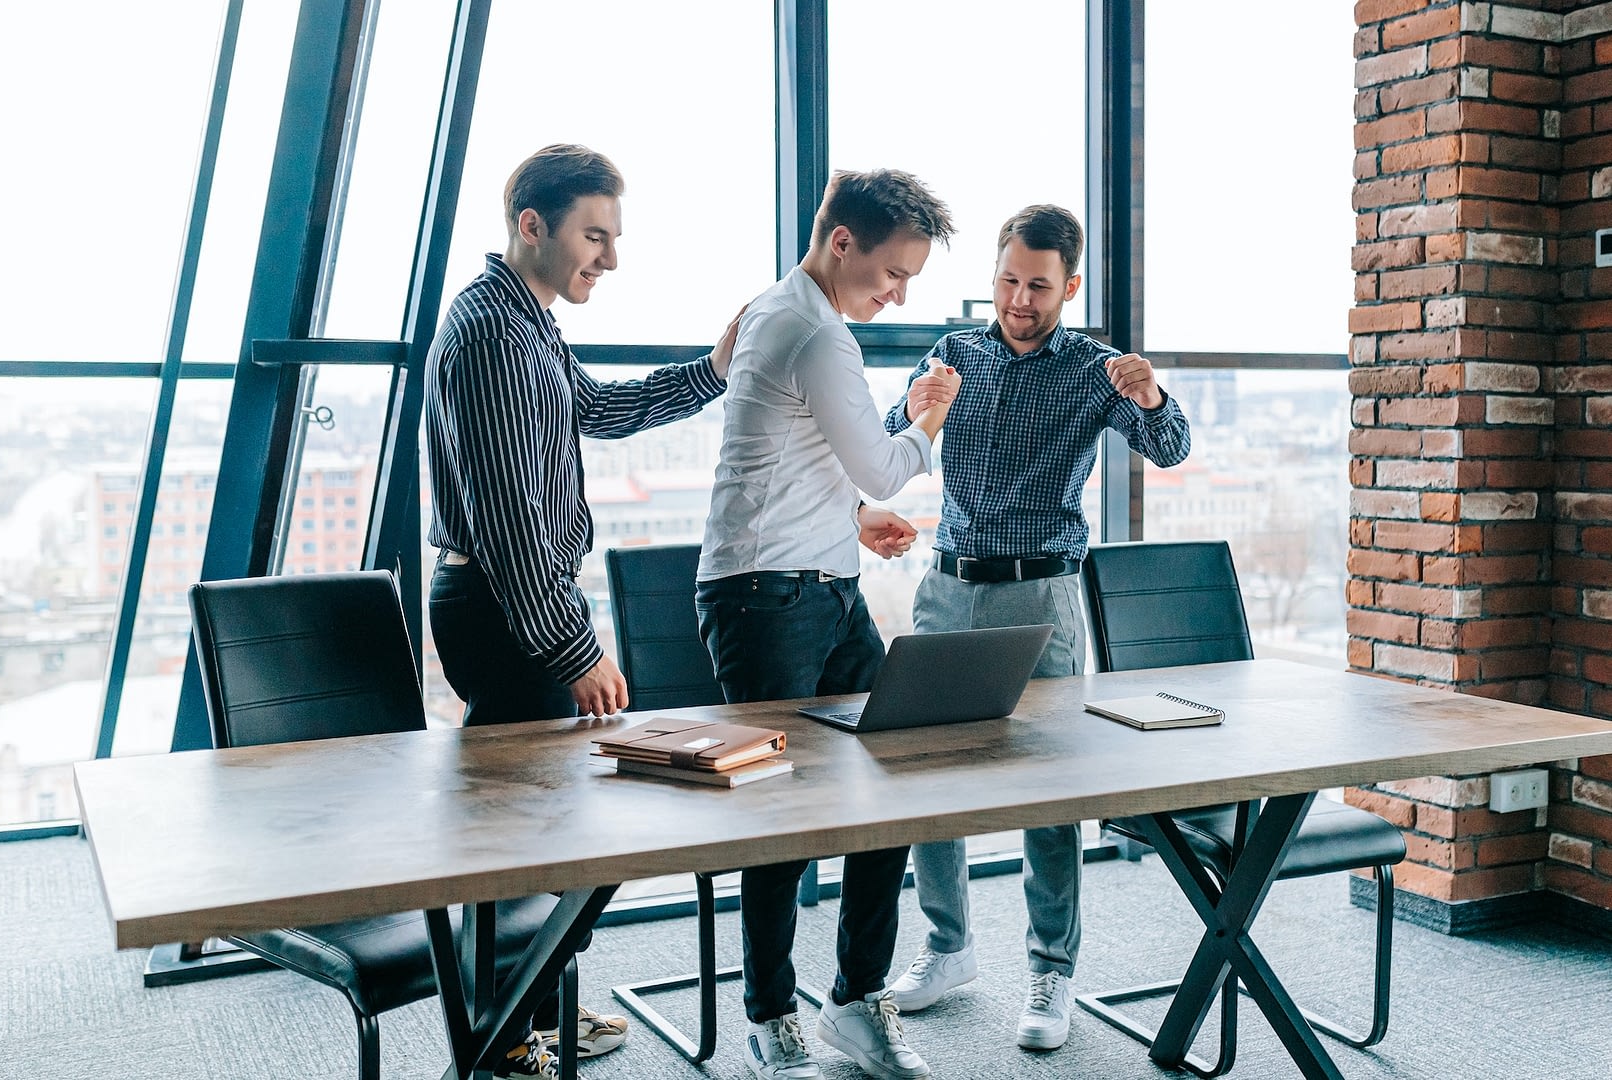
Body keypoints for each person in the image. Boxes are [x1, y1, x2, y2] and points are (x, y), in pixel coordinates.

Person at [423, 143, 739, 1075]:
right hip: (508, 607)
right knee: (541, 833)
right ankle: (509, 1030)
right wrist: (573, 647)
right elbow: (514, 516)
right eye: (593, 235)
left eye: (613, 236)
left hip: (510, 602)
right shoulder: (490, 335)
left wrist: (711, 369)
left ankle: (516, 1018)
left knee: (538, 831)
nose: (609, 257)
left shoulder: (524, 323)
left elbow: (595, 411)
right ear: (533, 226)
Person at [883, 204, 1191, 1051]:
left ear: (1071, 286)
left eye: (1039, 286)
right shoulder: (954, 353)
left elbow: (1169, 448)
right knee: (924, 773)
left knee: (1049, 791)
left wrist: (1151, 393)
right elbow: (885, 443)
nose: (1020, 299)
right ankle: (948, 946)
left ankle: (1051, 970)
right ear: (994, 276)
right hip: (947, 588)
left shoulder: (1097, 369)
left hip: (1043, 594)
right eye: (1009, 281)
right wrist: (915, 409)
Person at [696, 169, 959, 1080]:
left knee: (885, 780)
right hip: (768, 601)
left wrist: (846, 522)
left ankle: (854, 1000)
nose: (899, 292)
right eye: (892, 272)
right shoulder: (815, 330)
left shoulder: (787, 314)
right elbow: (889, 467)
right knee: (782, 820)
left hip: (819, 588)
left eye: (911, 278)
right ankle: (772, 1019)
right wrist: (930, 416)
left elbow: (776, 462)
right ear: (840, 242)